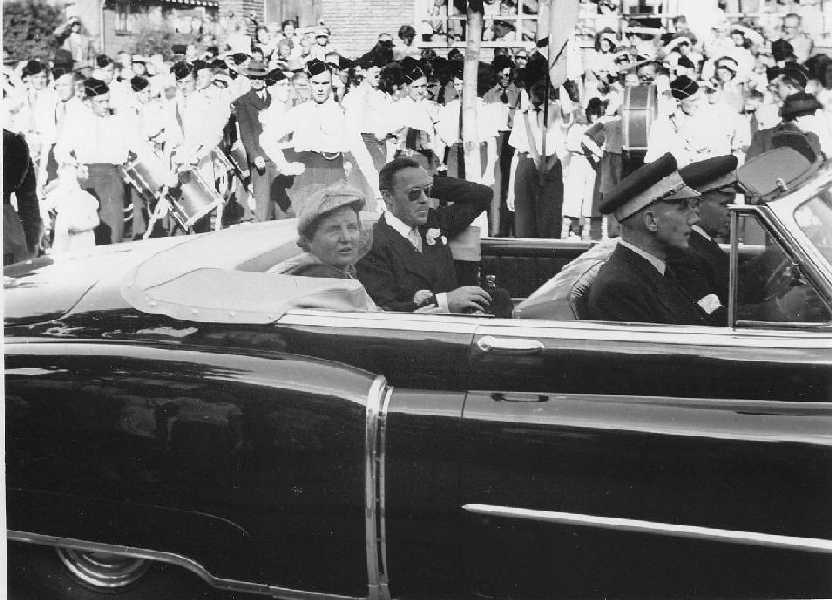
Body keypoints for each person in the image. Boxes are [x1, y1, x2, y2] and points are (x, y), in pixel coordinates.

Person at [357, 157, 510, 315]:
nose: (425, 199)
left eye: (427, 191)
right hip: (421, 325)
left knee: (500, 298)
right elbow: (385, 308)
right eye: (414, 193)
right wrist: (444, 302)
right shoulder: (372, 244)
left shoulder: (434, 221)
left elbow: (483, 195)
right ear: (388, 196)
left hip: (460, 319)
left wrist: (430, 182)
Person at [585, 152, 709, 325]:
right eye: (682, 208)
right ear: (651, 221)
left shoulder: (656, 269)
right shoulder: (619, 289)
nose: (694, 219)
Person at [259, 59, 381, 216]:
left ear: (331, 84)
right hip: (308, 179)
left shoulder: (342, 113)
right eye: (316, 83)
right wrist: (285, 165)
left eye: (325, 83)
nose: (320, 88)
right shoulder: (299, 112)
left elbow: (361, 153)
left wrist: (378, 192)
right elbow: (266, 139)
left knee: (338, 224)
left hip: (337, 177)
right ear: (309, 83)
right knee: (312, 226)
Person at [53, 78, 147, 244]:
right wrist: (74, 166)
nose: (105, 105)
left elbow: (136, 147)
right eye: (100, 102)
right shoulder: (76, 122)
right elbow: (60, 151)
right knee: (90, 235)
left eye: (107, 100)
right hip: (86, 182)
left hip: (112, 180)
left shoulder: (117, 121)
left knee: (114, 232)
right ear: (88, 102)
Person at [666, 155, 738, 323]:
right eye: (724, 204)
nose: (731, 212)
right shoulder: (684, 252)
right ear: (696, 205)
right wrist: (775, 308)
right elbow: (713, 315)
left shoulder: (704, 242)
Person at [271, 183, 368, 278]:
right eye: (334, 229)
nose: (346, 238)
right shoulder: (321, 276)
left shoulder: (345, 271)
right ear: (308, 240)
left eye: (351, 227)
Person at [234, 59, 290, 221]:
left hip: (278, 156)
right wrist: (254, 155)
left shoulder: (274, 97)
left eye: (259, 77)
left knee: (283, 207)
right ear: (249, 79)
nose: (256, 81)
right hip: (261, 159)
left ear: (265, 78)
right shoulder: (243, 102)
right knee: (263, 206)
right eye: (253, 78)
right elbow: (246, 133)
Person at [3, 129, 41, 264]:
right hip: (7, 227)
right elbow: (28, 200)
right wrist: (32, 240)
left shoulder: (12, 142)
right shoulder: (14, 142)